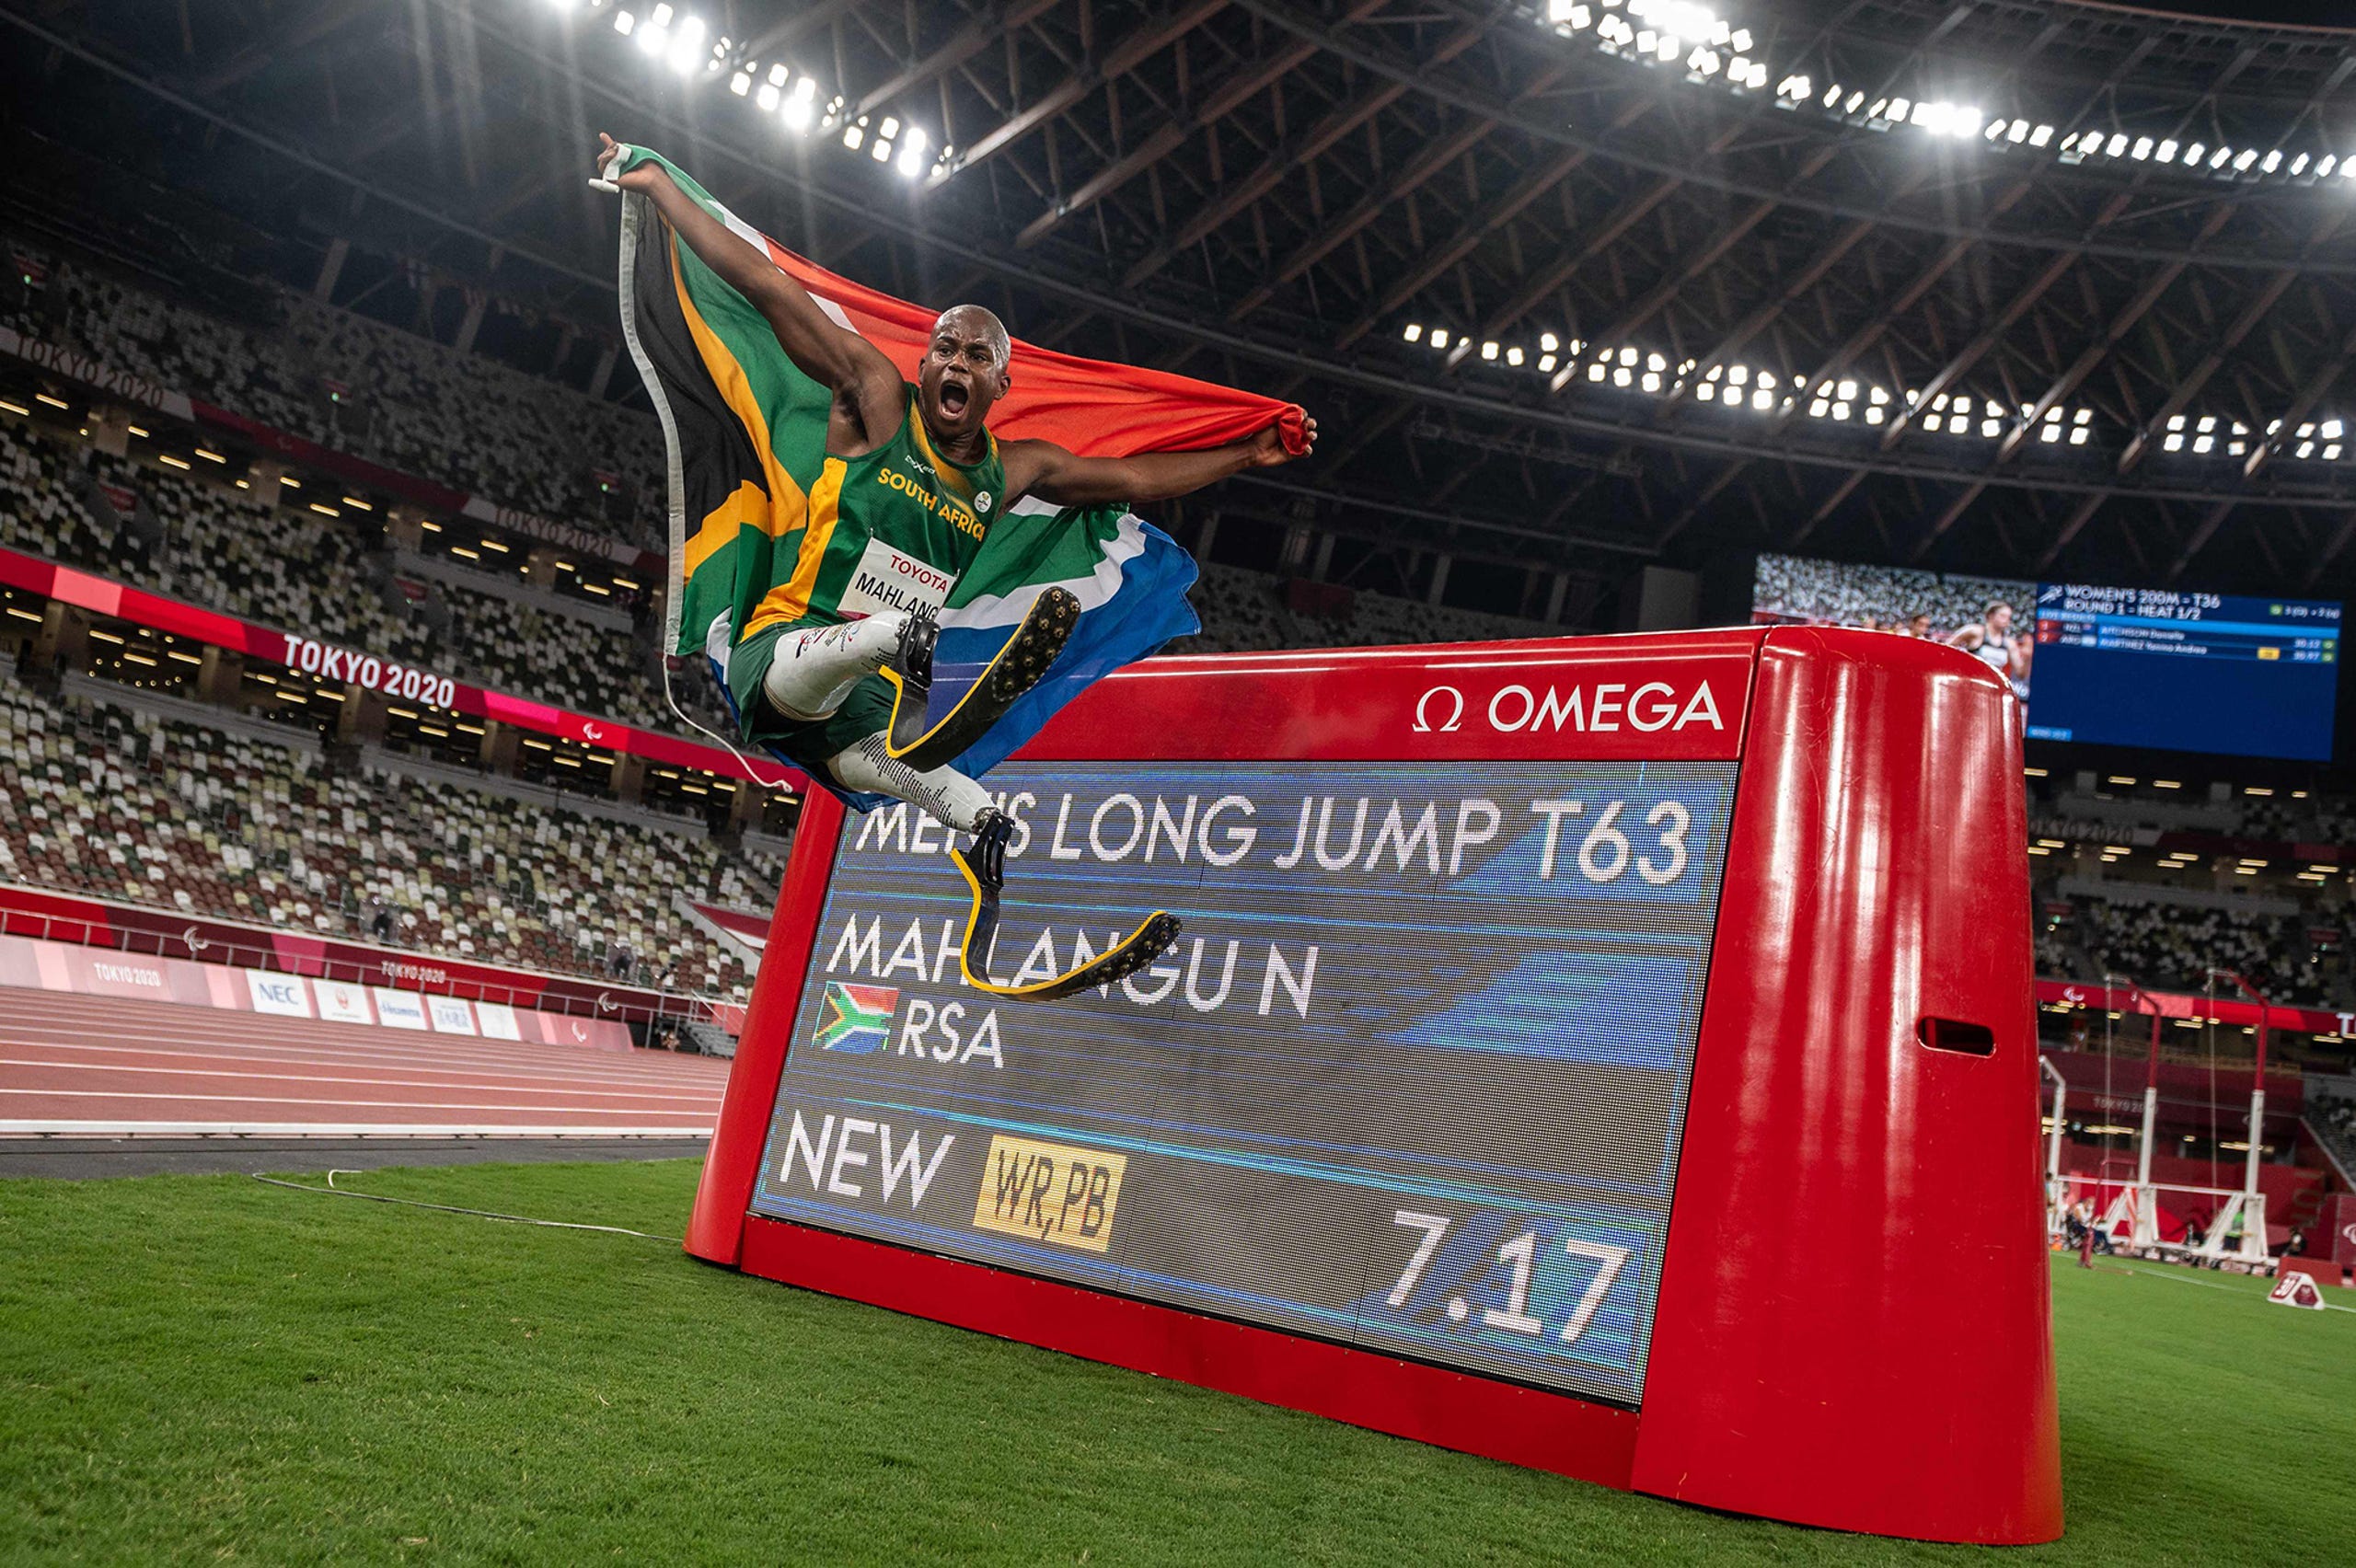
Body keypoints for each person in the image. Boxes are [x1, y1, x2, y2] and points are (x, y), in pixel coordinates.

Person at [599, 135, 1316, 996]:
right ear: (926, 358)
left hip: (863, 716)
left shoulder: (1014, 471)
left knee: (940, 791)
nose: (954, 362)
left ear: (1000, 385)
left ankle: (990, 875)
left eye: (976, 356)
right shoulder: (872, 396)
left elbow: (1132, 478)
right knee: (829, 681)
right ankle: (897, 637)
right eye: (945, 347)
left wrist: (1246, 455)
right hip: (783, 650)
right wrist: (662, 187)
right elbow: (766, 287)